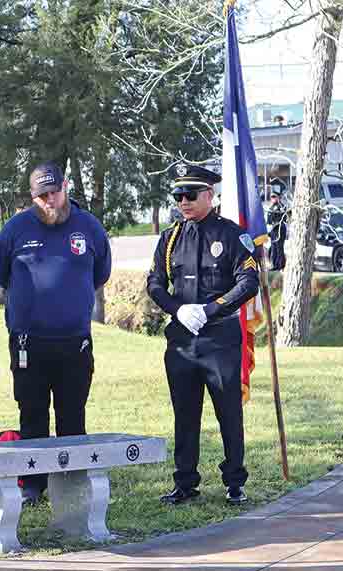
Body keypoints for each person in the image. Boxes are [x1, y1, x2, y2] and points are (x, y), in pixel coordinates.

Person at [0, 161, 112, 504]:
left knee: (73, 414)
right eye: (42, 196)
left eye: (54, 192)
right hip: (29, 341)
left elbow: (100, 272)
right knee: (32, 413)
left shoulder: (89, 227)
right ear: (32, 196)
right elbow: (1, 273)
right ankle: (33, 485)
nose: (50, 201)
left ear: (66, 187)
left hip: (74, 341)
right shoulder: (15, 229)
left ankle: (72, 483)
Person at [146, 163, 260, 506]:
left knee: (228, 412)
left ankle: (234, 481)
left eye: (190, 195)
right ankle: (185, 482)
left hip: (219, 341)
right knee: (185, 413)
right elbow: (154, 282)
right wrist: (176, 309)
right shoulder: (170, 239)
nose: (183, 201)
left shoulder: (231, 235)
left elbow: (249, 281)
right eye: (178, 195)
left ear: (210, 195)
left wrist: (211, 309)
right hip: (182, 341)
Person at [266, 189, 287, 271]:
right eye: (271, 197)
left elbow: (283, 218)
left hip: (279, 229)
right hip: (273, 231)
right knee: (273, 248)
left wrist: (275, 224)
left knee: (279, 248)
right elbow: (269, 220)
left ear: (278, 198)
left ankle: (280, 265)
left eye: (274, 197)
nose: (272, 198)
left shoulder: (281, 207)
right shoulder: (271, 207)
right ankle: (274, 265)